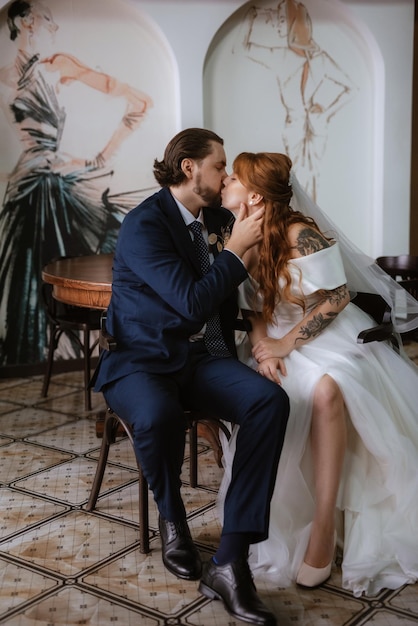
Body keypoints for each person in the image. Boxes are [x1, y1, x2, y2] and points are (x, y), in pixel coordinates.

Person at [92, 129, 290, 626]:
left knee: (269, 401)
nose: (226, 177)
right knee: (158, 415)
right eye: (220, 166)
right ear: (189, 168)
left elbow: (270, 250)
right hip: (140, 358)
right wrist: (233, 252)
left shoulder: (222, 218)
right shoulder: (144, 225)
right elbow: (190, 301)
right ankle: (173, 518)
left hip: (200, 358)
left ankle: (230, 559)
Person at [219, 151, 418, 598]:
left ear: (253, 195)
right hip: (272, 339)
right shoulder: (239, 233)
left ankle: (324, 525)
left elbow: (338, 296)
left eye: (234, 176)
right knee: (284, 393)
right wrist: (263, 348)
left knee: (329, 389)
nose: (226, 180)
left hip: (324, 335)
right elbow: (251, 306)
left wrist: (287, 343)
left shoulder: (298, 232)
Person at [0, 0, 152, 365]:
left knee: (83, 263)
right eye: (45, 20)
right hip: (23, 187)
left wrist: (96, 160)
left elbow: (139, 103)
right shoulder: (5, 75)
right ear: (25, 21)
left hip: (52, 186)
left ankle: (118, 360)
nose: (51, 27)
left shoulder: (59, 67)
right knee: (29, 281)